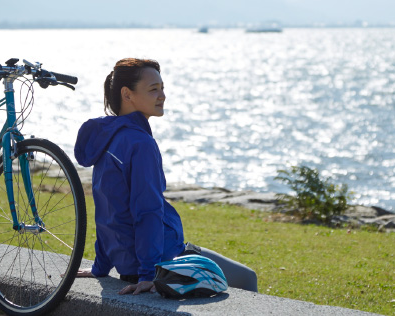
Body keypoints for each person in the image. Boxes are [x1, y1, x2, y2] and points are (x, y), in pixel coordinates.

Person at [74, 58, 258, 295]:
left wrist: (101, 266)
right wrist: (149, 274)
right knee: (247, 278)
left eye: (162, 88)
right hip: (164, 261)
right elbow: (147, 211)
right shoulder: (140, 144)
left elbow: (108, 210)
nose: (162, 96)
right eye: (153, 90)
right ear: (127, 94)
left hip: (133, 263)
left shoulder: (108, 139)